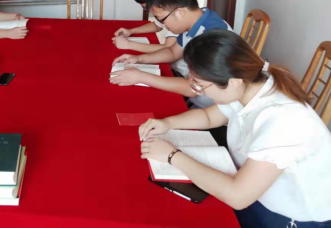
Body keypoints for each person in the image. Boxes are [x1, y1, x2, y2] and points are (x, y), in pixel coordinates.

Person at [138, 30, 331, 228]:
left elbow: (238, 196)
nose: (199, 91)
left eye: (200, 85)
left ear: (233, 82)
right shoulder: (249, 84)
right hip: (254, 190)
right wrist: (168, 123)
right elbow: (209, 117)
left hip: (291, 215)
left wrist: (172, 155)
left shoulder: (282, 120)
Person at [110, 0, 232, 108]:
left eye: (162, 19)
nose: (162, 25)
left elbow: (190, 88)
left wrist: (140, 77)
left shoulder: (211, 36)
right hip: (197, 99)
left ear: (180, 12)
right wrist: (138, 58)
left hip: (212, 107)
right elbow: (172, 52)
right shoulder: (197, 20)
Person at [112, 0, 178, 54]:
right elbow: (157, 26)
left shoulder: (174, 16)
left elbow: (169, 49)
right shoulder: (166, 10)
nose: (151, 12)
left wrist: (129, 45)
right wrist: (131, 31)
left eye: (148, 8)